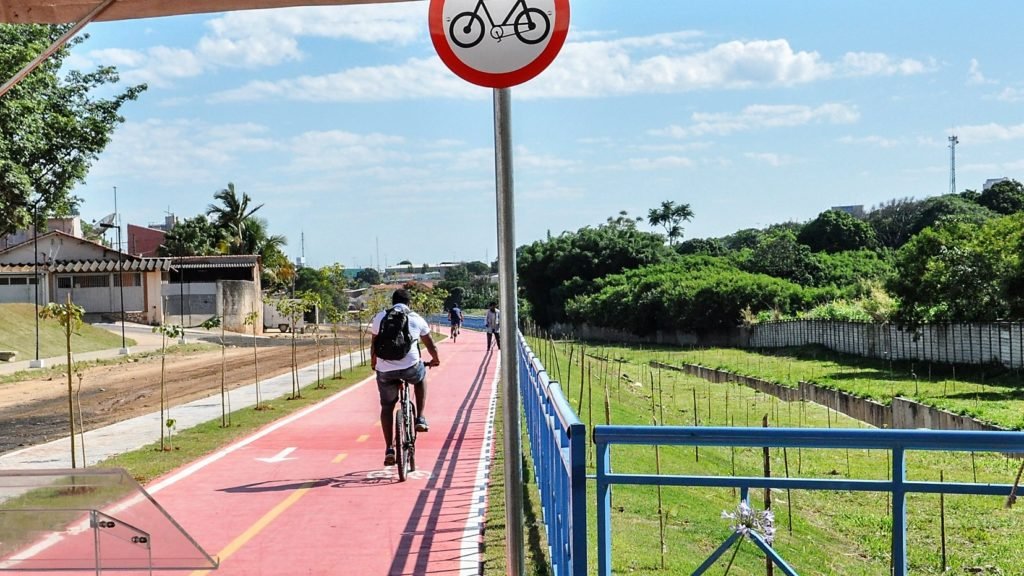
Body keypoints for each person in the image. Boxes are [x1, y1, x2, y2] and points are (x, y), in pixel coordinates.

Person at [370, 288, 439, 466]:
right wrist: (435, 360)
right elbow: (430, 345)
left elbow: (374, 343)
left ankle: (389, 449)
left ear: (392, 302)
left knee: (387, 406)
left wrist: (374, 363)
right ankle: (420, 418)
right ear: (409, 303)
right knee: (421, 376)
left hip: (385, 369)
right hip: (410, 366)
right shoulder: (416, 318)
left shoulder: (380, 317)